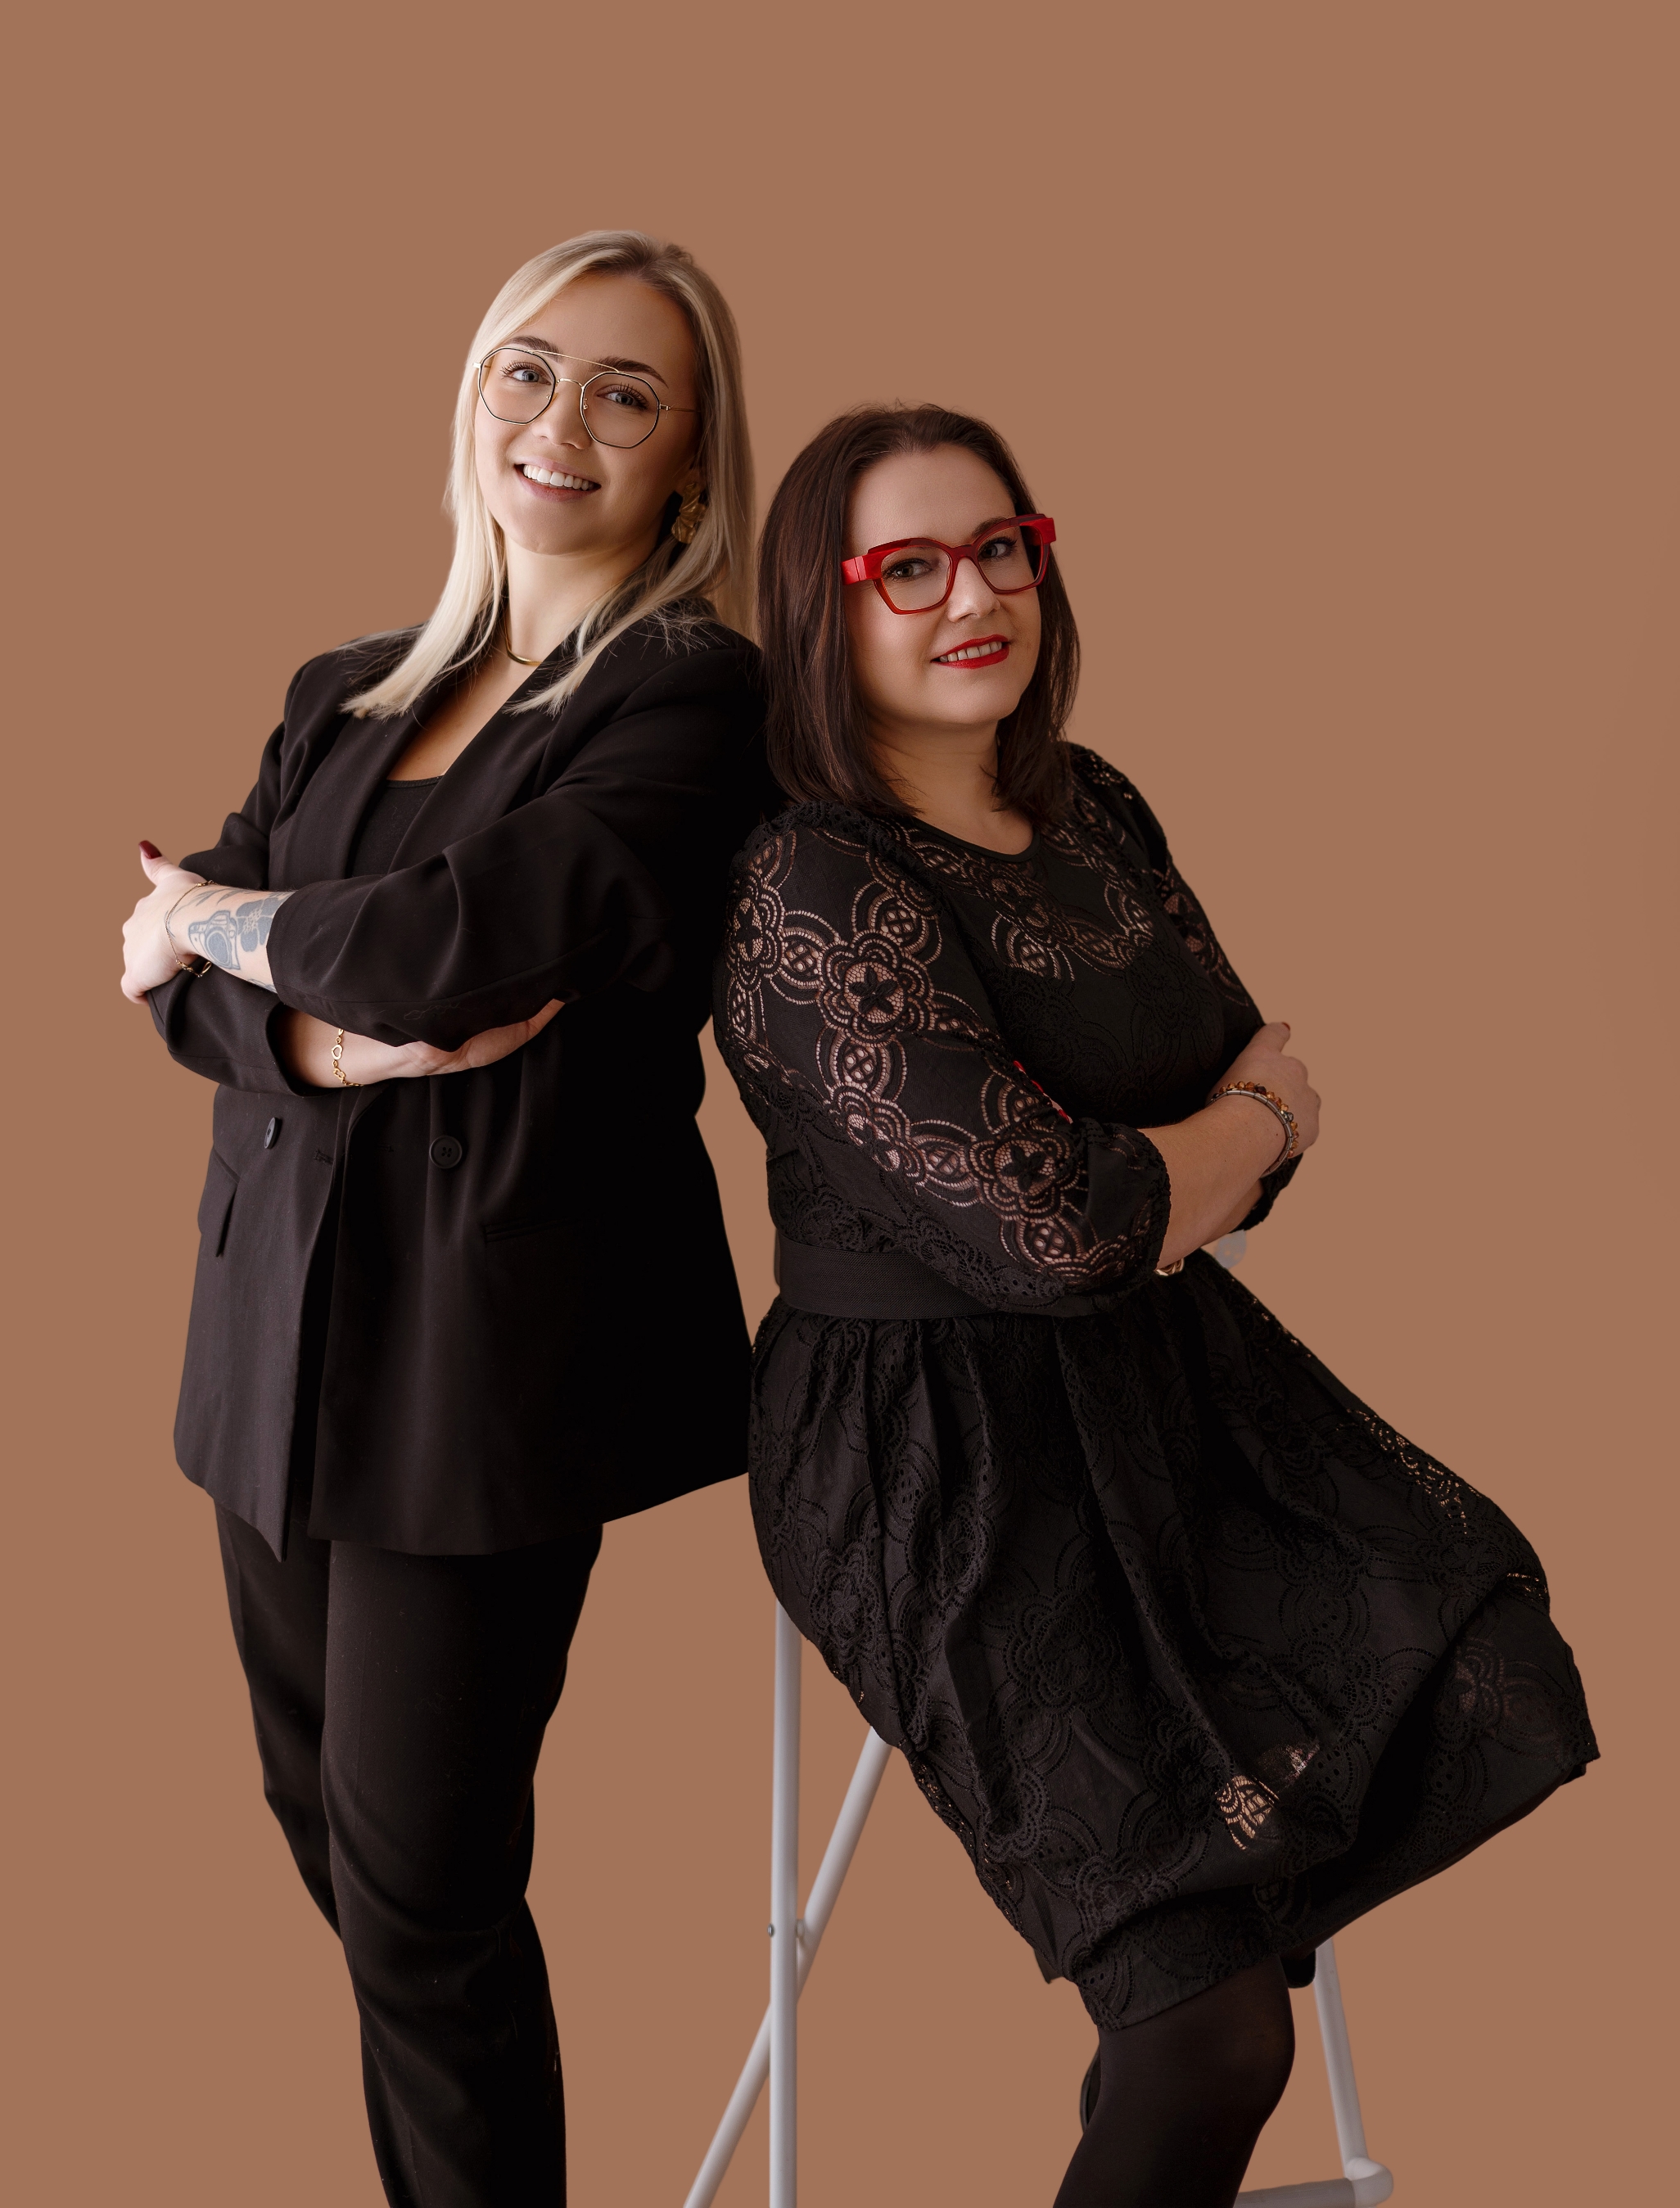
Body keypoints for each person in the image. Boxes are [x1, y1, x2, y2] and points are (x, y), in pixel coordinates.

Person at [715, 404, 1596, 2208]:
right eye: (909, 568)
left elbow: (1241, 1097)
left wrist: (1184, 1159)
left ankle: (1184, 1989)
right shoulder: (813, 877)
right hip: (933, 1448)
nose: (976, 596)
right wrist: (1216, 1142)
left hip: (1170, 1375)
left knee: (1483, 1658)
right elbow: (1079, 1213)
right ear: (825, 605)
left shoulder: (1092, 804)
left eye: (1003, 548)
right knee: (1214, 2033)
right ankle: (1180, 1999)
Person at [120, 230, 765, 2206]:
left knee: (422, 1879)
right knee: (323, 1827)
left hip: (481, 1367)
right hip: (274, 1341)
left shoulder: (689, 696)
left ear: (688, 456)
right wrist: (307, 1027)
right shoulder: (344, 692)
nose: (562, 419)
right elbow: (208, 1006)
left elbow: (443, 948)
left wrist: (213, 921)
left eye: (628, 391)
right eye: (527, 369)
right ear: (475, 396)